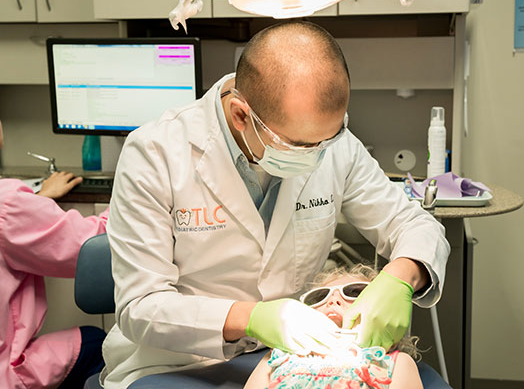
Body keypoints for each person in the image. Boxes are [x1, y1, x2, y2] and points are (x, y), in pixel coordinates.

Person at [102, 21, 450, 388]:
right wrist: (250, 318)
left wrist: (402, 276)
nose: (317, 157)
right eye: (299, 146)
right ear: (241, 115)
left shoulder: (332, 145)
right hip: (178, 361)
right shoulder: (156, 153)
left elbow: (415, 224)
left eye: (327, 140)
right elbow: (140, 307)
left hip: (296, 354)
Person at [0, 118, 109, 388]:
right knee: (100, 344)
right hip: (5, 373)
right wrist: (134, 197)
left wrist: (36, 202)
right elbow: (88, 249)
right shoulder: (7, 203)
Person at [244, 264, 423, 389]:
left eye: (353, 292)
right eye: (320, 296)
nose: (333, 300)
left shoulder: (391, 362)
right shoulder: (279, 357)